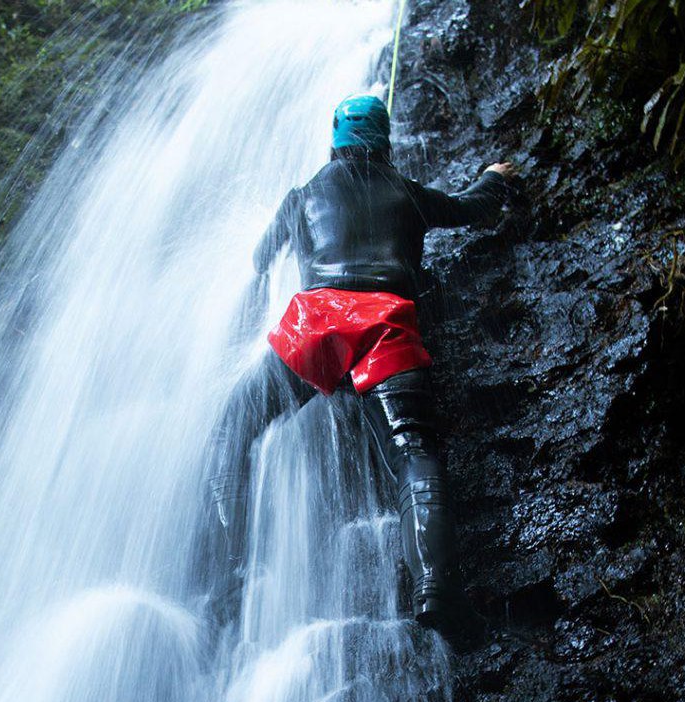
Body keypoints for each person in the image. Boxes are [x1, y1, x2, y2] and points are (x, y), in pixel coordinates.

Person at [205, 93, 513, 645]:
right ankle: (436, 586)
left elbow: (260, 258)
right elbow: (470, 209)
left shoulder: (301, 196)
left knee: (236, 425)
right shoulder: (408, 193)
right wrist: (494, 177)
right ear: (385, 146)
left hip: (317, 326)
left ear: (333, 145)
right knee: (413, 453)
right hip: (385, 325)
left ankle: (231, 573)